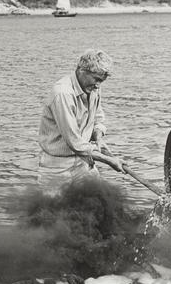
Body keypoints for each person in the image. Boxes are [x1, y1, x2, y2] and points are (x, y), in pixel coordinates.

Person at [37, 48, 126, 189]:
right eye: (96, 79)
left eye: (101, 81)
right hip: (57, 167)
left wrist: (98, 137)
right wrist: (109, 160)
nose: (98, 85)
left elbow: (98, 118)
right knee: (54, 210)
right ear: (81, 70)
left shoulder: (93, 88)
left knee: (98, 202)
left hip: (83, 161)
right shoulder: (63, 93)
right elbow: (74, 141)